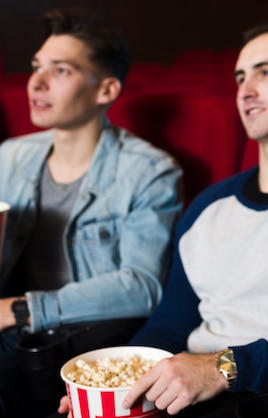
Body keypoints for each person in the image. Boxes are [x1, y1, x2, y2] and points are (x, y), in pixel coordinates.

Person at [59, 19, 268, 417]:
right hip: (185, 391)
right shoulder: (208, 205)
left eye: (266, 71)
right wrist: (116, 384)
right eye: (240, 77)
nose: (246, 90)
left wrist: (225, 368)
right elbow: (170, 325)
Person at [0, 7, 182, 417]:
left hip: (81, 338)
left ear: (106, 90)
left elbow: (142, 286)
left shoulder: (149, 172)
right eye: (36, 67)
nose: (37, 82)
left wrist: (19, 308)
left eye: (60, 70)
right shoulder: (10, 157)